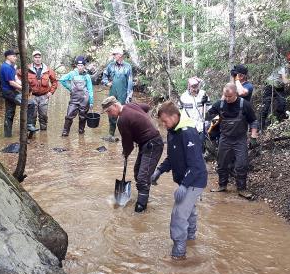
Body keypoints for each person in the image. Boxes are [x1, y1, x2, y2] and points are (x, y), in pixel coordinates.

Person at [152, 101, 208, 260]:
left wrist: (184, 186)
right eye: (162, 122)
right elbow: (172, 158)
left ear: (175, 116)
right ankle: (191, 239)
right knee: (189, 211)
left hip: (194, 180)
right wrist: (159, 170)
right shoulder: (173, 131)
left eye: (165, 121)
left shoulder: (188, 132)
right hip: (185, 179)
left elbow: (196, 164)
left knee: (178, 216)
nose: (164, 124)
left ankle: (179, 254)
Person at [102, 96, 163, 212]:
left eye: (109, 111)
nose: (109, 114)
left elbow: (128, 144)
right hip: (146, 143)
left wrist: (125, 153)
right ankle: (145, 195)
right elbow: (146, 107)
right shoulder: (130, 105)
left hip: (153, 144)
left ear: (115, 106)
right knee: (137, 172)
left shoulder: (122, 120)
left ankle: (140, 209)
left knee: (142, 178)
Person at [206, 82, 259, 199]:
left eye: (229, 96)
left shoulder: (244, 104)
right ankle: (222, 185)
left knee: (242, 164)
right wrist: (213, 125)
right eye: (225, 96)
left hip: (240, 139)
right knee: (222, 163)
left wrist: (253, 136)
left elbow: (253, 121)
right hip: (225, 138)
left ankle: (242, 189)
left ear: (236, 94)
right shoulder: (219, 104)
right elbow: (209, 116)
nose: (227, 99)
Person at [0, 49, 37, 137]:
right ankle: (29, 124)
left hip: (10, 92)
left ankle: (7, 136)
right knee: (31, 103)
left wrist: (25, 85)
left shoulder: (12, 67)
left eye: (16, 56)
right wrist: (24, 89)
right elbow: (11, 82)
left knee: (9, 113)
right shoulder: (5, 67)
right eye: (14, 56)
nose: (16, 58)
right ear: (8, 57)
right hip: (9, 92)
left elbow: (16, 79)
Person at [20, 50, 58, 131]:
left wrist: (51, 92)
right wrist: (23, 89)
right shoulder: (27, 68)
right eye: (35, 57)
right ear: (33, 58)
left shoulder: (48, 70)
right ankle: (32, 136)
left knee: (43, 116)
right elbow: (18, 76)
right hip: (31, 96)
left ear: (41, 58)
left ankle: (43, 136)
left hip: (44, 96)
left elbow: (54, 82)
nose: (37, 59)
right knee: (32, 116)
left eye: (39, 57)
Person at [101, 47, 134, 140]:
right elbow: (104, 76)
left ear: (120, 55)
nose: (114, 56)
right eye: (113, 54)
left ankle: (126, 133)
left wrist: (129, 95)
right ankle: (111, 133)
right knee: (111, 112)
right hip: (112, 93)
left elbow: (130, 82)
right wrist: (107, 82)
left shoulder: (128, 66)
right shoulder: (110, 65)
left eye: (115, 54)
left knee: (124, 113)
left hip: (123, 93)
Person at [59, 56, 94, 136]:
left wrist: (91, 102)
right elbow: (62, 80)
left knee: (83, 117)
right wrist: (70, 87)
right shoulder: (72, 74)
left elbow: (90, 89)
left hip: (85, 100)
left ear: (84, 66)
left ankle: (81, 131)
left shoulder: (87, 76)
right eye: (78, 65)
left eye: (81, 65)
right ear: (76, 65)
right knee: (69, 115)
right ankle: (65, 131)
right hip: (74, 99)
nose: (80, 67)